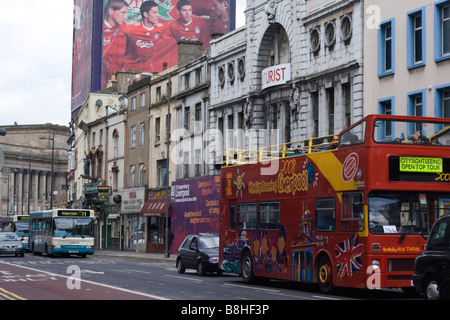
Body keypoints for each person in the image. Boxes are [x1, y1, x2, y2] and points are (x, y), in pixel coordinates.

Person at [122, 1, 169, 73]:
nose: (158, 15)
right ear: (145, 14)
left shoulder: (161, 28)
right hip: (129, 69)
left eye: (158, 12)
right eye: (155, 13)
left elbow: (175, 24)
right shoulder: (131, 29)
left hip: (147, 69)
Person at [103, 0, 129, 86]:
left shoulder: (126, 28)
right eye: (123, 13)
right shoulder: (97, 28)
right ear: (111, 11)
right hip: (100, 78)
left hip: (118, 78)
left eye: (126, 13)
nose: (125, 17)